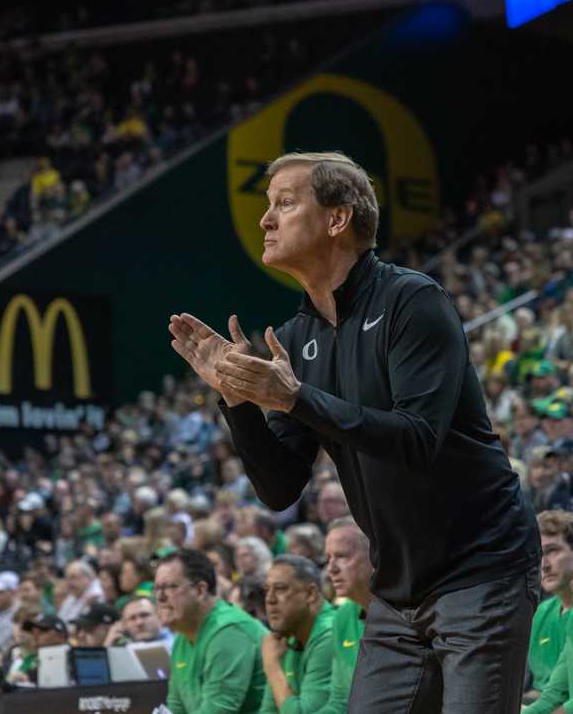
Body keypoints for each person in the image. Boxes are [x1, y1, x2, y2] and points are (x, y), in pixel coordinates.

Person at [169, 151, 540, 713]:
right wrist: (237, 398)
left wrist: (294, 397)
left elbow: (416, 441)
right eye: (268, 207)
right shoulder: (295, 337)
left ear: (337, 219)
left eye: (285, 204)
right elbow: (279, 487)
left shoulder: (413, 301)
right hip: (396, 588)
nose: (266, 220)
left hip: (481, 567)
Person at [157, 549, 268, 714]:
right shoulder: (183, 637)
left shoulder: (229, 631)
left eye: (170, 587)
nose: (160, 597)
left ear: (200, 590)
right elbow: (176, 708)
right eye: (157, 588)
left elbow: (218, 710)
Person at [260, 555, 337, 713]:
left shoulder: (329, 635)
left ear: (310, 594)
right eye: (267, 589)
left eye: (280, 588)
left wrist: (272, 667)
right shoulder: (287, 633)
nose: (270, 599)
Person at [524, 511, 573, 704]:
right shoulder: (540, 613)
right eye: (538, 554)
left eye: (552, 551)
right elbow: (543, 691)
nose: (544, 565)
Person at [319, 517, 373, 714]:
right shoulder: (342, 617)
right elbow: (340, 699)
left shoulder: (407, 613)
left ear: (374, 555)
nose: (330, 569)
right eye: (328, 558)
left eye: (341, 556)